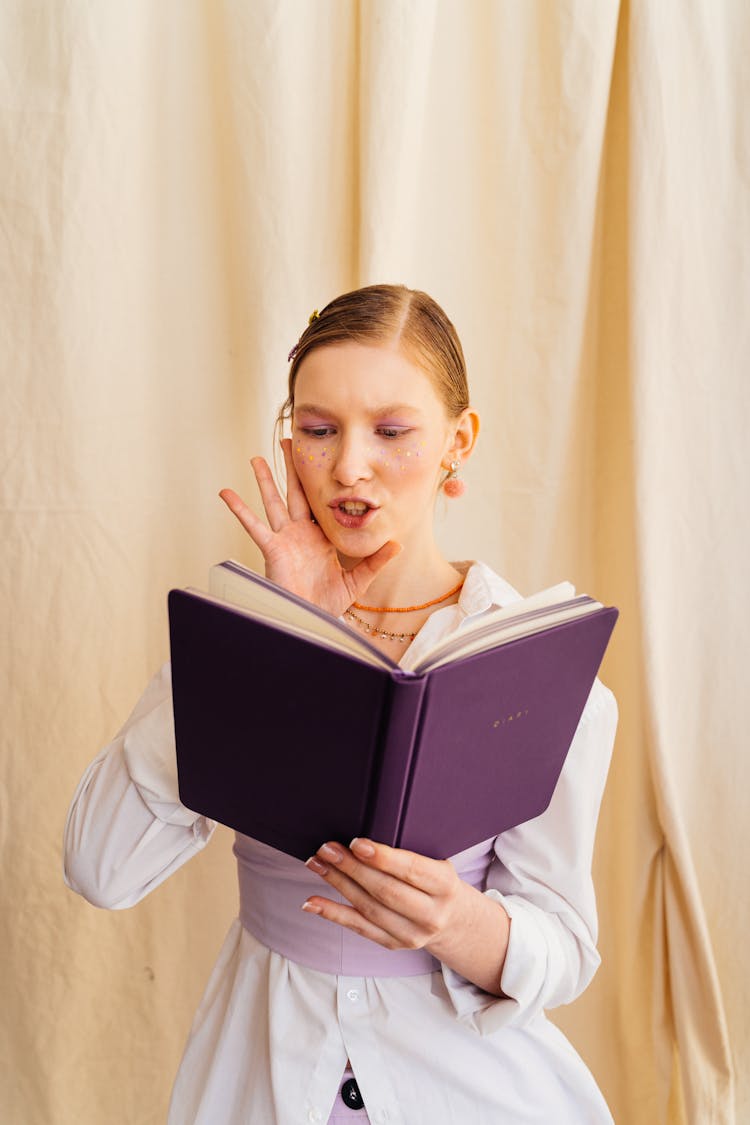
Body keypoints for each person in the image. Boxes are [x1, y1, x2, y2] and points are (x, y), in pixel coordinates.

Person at [64, 284, 618, 1124]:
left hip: (471, 1089)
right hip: (261, 1070)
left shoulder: (532, 662)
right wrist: (267, 635)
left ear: (457, 443)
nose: (349, 468)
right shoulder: (245, 632)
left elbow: (566, 947)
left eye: (393, 432)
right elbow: (100, 868)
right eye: (319, 430)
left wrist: (457, 920)